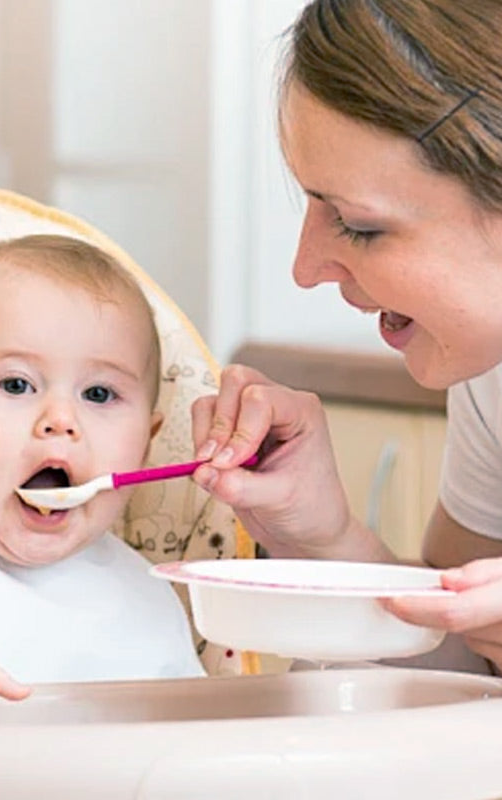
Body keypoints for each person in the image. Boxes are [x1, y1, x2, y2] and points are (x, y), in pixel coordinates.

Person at [192, 0, 502, 675]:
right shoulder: (488, 375)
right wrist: (323, 537)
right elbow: (462, 666)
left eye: (360, 225)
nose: (306, 270)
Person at [0, 234, 205, 723]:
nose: (61, 419)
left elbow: (193, 753)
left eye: (98, 393)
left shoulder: (148, 598)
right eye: (16, 384)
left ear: (145, 447)